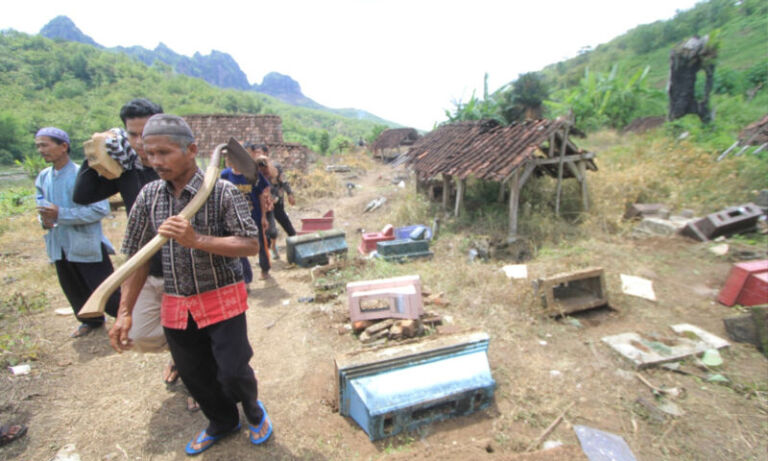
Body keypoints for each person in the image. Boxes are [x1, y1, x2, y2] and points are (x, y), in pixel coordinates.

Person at [109, 114, 272, 455]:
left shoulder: (222, 191)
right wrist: (124, 312)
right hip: (176, 303)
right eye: (149, 153)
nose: (155, 161)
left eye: (164, 153)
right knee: (195, 374)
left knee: (232, 371)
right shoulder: (148, 196)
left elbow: (250, 244)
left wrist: (197, 240)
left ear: (192, 150)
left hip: (222, 297)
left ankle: (254, 413)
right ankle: (222, 421)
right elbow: (136, 259)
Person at [73, 99, 189, 400]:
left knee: (193, 331)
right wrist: (94, 155)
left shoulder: (177, 167)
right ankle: (183, 355)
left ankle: (194, 376)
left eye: (145, 133)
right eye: (131, 135)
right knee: (141, 334)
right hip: (147, 268)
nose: (139, 143)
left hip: (186, 267)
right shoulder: (127, 169)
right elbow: (82, 195)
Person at [34, 127, 119, 338]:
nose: (41, 150)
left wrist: (61, 214)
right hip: (59, 242)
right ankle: (90, 321)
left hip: (85, 242)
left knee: (105, 288)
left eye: (45, 145)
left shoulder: (82, 175)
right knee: (72, 286)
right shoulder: (44, 177)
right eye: (38, 146)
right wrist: (45, 220)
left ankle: (126, 319)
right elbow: (41, 206)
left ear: (63, 146)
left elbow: (100, 209)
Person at [256, 144, 296, 260]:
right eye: (257, 154)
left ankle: (295, 249)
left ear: (266, 154)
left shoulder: (275, 167)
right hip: (266, 205)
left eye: (261, 153)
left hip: (277, 203)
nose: (259, 156)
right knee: (270, 230)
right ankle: (270, 250)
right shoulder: (255, 170)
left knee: (288, 227)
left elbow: (284, 181)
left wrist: (290, 194)